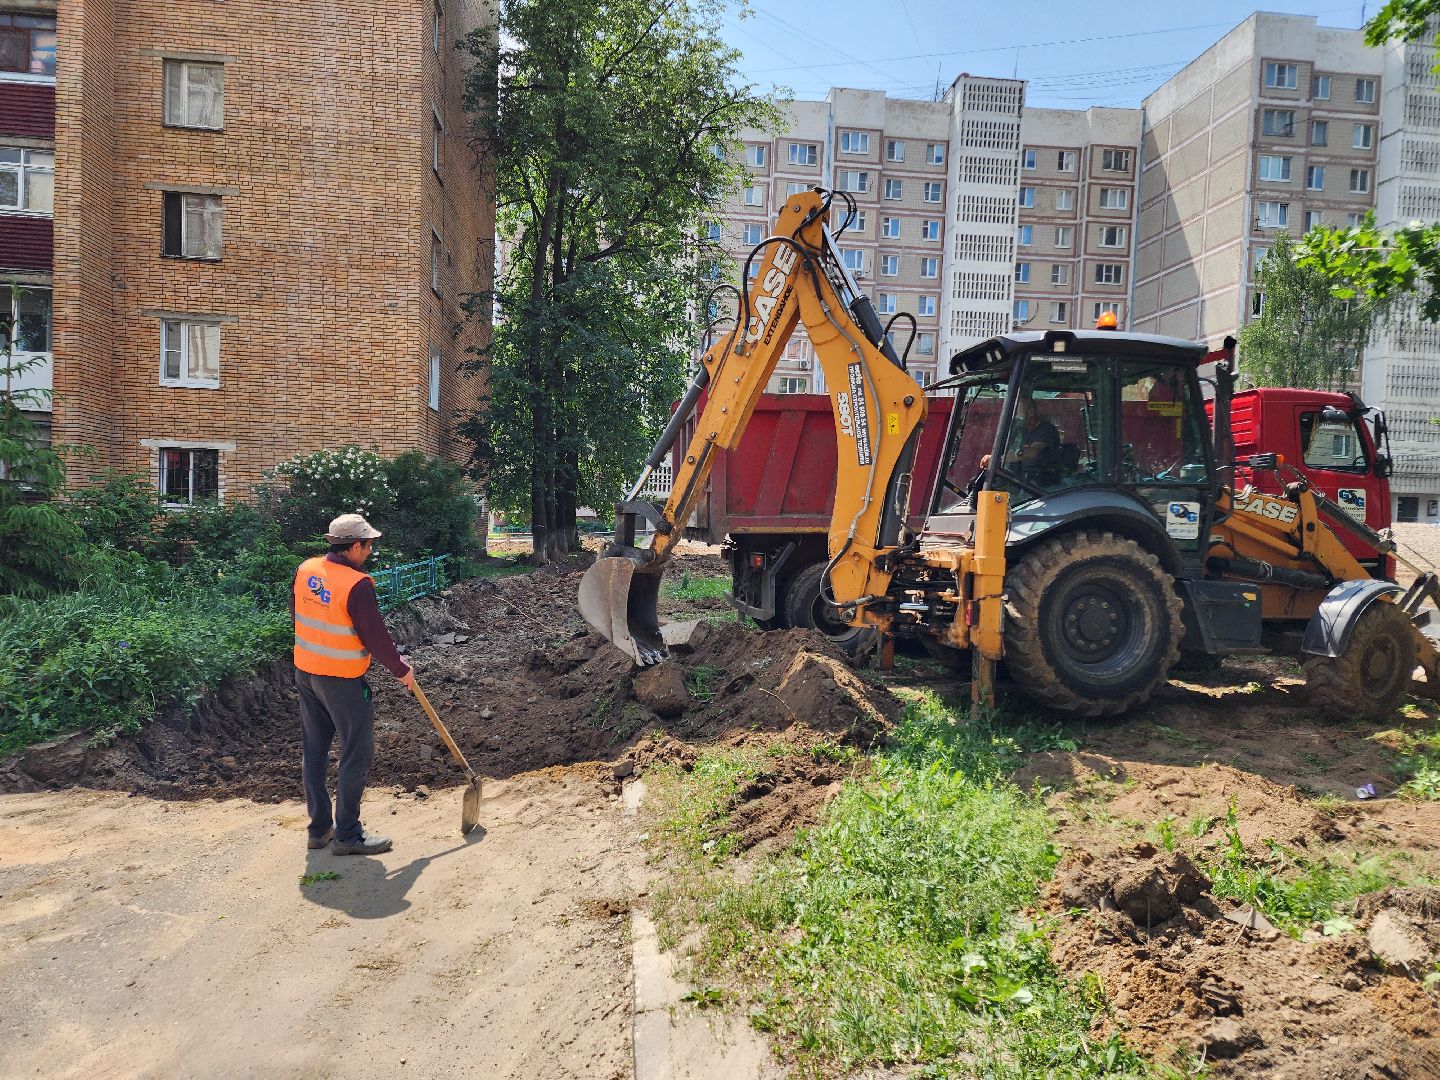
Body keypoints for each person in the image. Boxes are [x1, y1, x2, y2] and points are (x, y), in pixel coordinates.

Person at [292, 513, 416, 856]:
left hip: (306, 673)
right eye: (368, 544)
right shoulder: (356, 584)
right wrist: (400, 668)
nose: (370, 550)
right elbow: (374, 635)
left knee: (314, 752)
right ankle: (348, 835)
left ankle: (319, 830)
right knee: (356, 753)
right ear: (355, 546)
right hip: (342, 681)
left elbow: (299, 616)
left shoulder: (306, 570)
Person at [981, 397, 1061, 487]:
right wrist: (993, 458)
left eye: (1018, 413)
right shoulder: (1021, 431)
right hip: (1021, 477)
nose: (1015, 417)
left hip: (1043, 481)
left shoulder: (1046, 430)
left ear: (1030, 412)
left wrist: (999, 459)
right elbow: (1010, 450)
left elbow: (1032, 452)